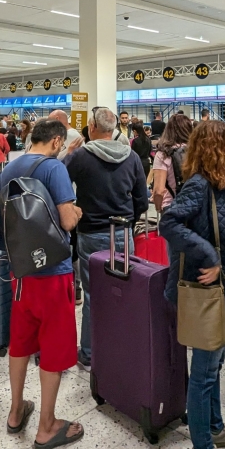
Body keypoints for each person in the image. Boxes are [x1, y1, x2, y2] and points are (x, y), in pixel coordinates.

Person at [159, 120, 225, 449]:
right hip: (205, 292)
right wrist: (208, 254)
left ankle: (214, 426)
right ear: (215, 148)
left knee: (214, 365)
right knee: (206, 371)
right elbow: (169, 222)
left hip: (220, 291)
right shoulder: (199, 186)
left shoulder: (218, 185)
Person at [0, 119, 85, 449]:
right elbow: (66, 220)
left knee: (20, 341)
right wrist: (76, 211)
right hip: (53, 272)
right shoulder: (54, 169)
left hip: (20, 272)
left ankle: (15, 409)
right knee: (53, 345)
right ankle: (47, 426)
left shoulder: (9, 168)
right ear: (56, 141)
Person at [63, 108, 148, 371]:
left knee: (93, 295)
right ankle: (123, 346)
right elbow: (141, 199)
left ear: (92, 127)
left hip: (91, 232)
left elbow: (59, 182)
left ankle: (89, 353)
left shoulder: (79, 156)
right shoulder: (132, 157)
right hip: (123, 232)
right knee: (124, 291)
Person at [152, 112, 193, 213]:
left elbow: (158, 190)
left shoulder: (163, 154)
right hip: (194, 205)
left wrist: (158, 208)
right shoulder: (196, 151)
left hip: (171, 206)